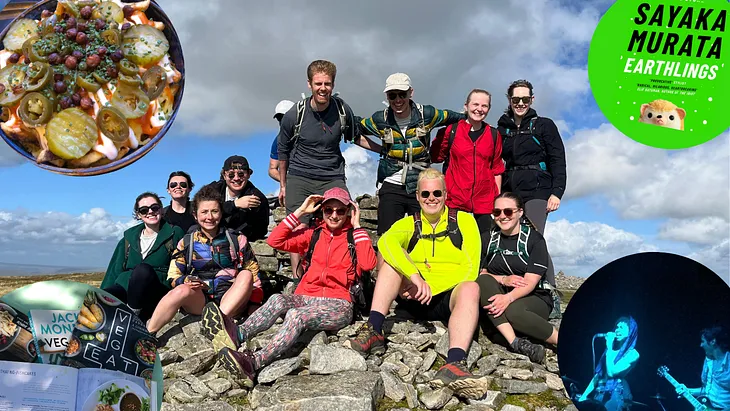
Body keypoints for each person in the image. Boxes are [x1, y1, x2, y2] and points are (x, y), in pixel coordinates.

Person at [200, 188, 377, 385]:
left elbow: (369, 264)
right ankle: (239, 333)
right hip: (306, 296)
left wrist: (358, 225)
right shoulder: (313, 235)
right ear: (322, 211)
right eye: (329, 210)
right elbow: (275, 240)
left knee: (296, 315)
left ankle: (254, 362)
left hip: (339, 304)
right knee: (277, 299)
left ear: (349, 212)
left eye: (340, 211)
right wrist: (300, 211)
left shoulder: (355, 237)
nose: (334, 215)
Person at [345, 169, 489, 400]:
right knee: (392, 258)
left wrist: (431, 286)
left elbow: (470, 270)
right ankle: (374, 330)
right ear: (418, 196)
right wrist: (414, 277)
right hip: (413, 296)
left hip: (447, 298)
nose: (431, 198)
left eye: (436, 193)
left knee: (472, 287)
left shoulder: (465, 221)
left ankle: (454, 363)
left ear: (445, 194)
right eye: (425, 194)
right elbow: (385, 241)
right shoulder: (408, 223)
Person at [277, 59, 379, 278]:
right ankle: (299, 278)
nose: (323, 88)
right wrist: (283, 185)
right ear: (309, 84)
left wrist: (383, 149)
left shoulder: (342, 110)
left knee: (346, 219)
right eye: (318, 84)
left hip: (331, 175)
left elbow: (355, 137)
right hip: (300, 175)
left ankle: (347, 275)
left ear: (333, 84)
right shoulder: (295, 114)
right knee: (299, 226)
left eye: (327, 84)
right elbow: (282, 151)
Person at [358, 73, 465, 266]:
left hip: (421, 183)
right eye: (392, 95)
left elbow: (457, 119)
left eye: (402, 94)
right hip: (391, 180)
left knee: (425, 234)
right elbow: (353, 129)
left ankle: (425, 283)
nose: (398, 100)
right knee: (386, 237)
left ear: (411, 93)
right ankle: (385, 288)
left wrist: (443, 149)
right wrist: (378, 149)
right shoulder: (379, 119)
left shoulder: (428, 115)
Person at [146, 184, 262, 334]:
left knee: (246, 274)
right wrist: (185, 280)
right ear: (195, 215)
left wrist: (254, 303)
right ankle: (148, 334)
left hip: (233, 298)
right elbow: (173, 275)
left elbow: (254, 273)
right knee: (181, 290)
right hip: (201, 300)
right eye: (204, 212)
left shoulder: (237, 239)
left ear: (221, 214)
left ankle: (217, 321)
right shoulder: (187, 242)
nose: (210, 217)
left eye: (214, 211)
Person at [496, 79, 567, 317]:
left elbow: (558, 159)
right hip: (511, 188)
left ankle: (550, 292)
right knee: (514, 237)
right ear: (509, 100)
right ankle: (525, 288)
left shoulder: (544, 125)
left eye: (525, 99)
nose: (520, 103)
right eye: (516, 99)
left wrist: (557, 192)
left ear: (532, 100)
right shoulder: (502, 128)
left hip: (538, 189)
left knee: (534, 237)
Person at [476, 192, 559, 364]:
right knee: (483, 282)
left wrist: (508, 298)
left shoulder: (535, 240)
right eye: (497, 212)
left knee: (513, 311)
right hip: (499, 294)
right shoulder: (488, 239)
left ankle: (563, 342)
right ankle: (516, 342)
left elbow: (530, 282)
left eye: (508, 211)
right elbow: (480, 274)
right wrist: (503, 279)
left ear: (520, 212)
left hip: (535, 297)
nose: (502, 217)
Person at [101, 192, 184, 322]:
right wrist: (102, 294)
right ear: (139, 215)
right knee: (102, 298)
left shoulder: (175, 233)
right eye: (144, 210)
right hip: (126, 287)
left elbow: (182, 265)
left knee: (143, 270)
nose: (150, 212)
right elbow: (114, 270)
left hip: (155, 290)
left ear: (161, 209)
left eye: (154, 208)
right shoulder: (128, 238)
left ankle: (132, 318)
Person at [431, 88, 504, 234]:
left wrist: (497, 201)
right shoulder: (452, 131)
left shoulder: (494, 134)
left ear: (489, 109)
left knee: (485, 247)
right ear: (466, 106)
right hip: (455, 200)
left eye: (484, 106)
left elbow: (497, 169)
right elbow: (435, 157)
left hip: (485, 203)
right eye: (475, 104)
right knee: (455, 246)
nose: (479, 109)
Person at [577, 316, 639, 411]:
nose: (617, 330)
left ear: (630, 332)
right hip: (599, 392)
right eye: (617, 327)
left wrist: (609, 347)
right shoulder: (609, 351)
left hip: (615, 395)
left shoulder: (633, 354)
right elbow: (598, 376)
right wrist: (584, 396)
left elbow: (611, 373)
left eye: (621, 328)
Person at [209, 156, 270, 242]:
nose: (236, 178)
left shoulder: (257, 198)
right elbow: (200, 210)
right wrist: (235, 204)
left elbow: (260, 230)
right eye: (231, 175)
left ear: (248, 174)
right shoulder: (212, 190)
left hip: (240, 242)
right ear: (224, 175)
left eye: (241, 174)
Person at [676, 326, 730, 410]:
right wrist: (688, 391)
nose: (701, 345)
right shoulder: (708, 361)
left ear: (713, 341)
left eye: (703, 341)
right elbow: (707, 389)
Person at [269, 100, 295, 183]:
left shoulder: (312, 133)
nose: (283, 121)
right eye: (279, 118)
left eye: (286, 117)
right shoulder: (278, 141)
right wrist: (288, 182)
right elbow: (272, 170)